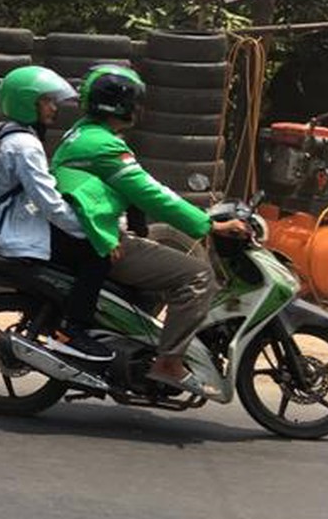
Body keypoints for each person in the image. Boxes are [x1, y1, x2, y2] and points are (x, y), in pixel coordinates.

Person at [53, 66, 248, 397]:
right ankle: (168, 361)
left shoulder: (84, 133)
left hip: (81, 233)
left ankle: (139, 339)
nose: (140, 110)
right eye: (136, 102)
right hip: (93, 239)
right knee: (198, 275)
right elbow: (150, 193)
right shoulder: (105, 146)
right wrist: (208, 225)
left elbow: (130, 190)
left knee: (160, 251)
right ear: (119, 105)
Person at [0, 66, 113, 362]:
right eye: (46, 101)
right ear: (27, 103)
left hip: (13, 222)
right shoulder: (25, 146)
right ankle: (74, 330)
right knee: (98, 255)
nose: (53, 107)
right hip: (17, 233)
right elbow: (50, 204)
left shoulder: (10, 133)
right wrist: (91, 232)